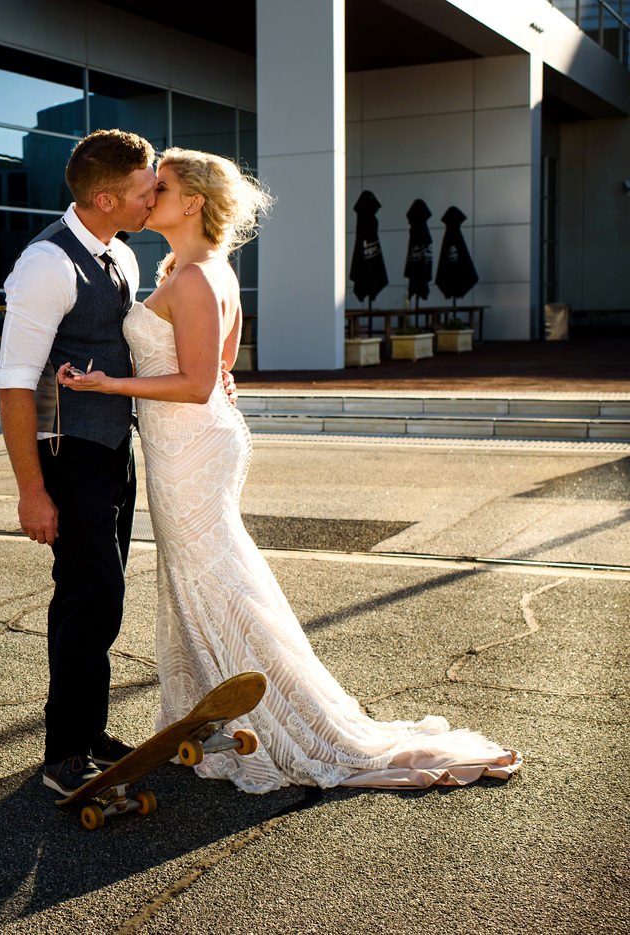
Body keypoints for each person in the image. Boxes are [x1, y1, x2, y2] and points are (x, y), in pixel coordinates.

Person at [57, 147, 522, 792]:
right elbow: (222, 368)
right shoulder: (194, 268)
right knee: (213, 577)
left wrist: (108, 385)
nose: (147, 195)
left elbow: (197, 384)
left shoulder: (190, 278)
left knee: (211, 578)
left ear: (192, 202)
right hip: (195, 443)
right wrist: (195, 384)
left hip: (190, 446)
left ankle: (275, 720)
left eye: (158, 186)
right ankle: (220, 716)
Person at [0, 129, 177, 796]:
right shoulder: (47, 264)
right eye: (142, 190)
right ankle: (64, 751)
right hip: (67, 452)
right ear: (105, 198)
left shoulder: (122, 257)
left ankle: (82, 728)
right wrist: (30, 490)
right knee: (98, 593)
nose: (152, 196)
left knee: (84, 594)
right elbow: (15, 382)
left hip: (111, 449)